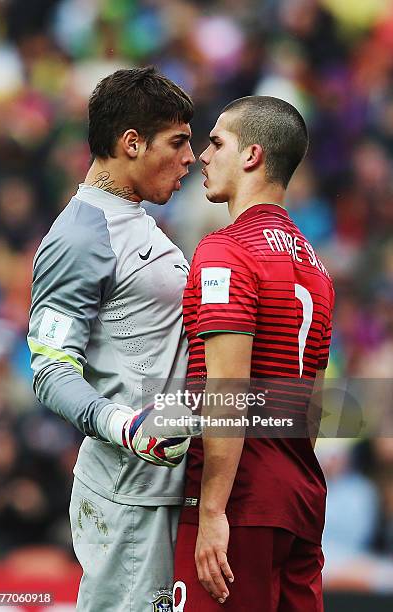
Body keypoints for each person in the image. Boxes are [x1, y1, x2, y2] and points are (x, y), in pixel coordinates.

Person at [27, 66, 197, 611]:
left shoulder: (136, 219)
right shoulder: (79, 235)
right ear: (132, 143)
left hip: (163, 486)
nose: (190, 158)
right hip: (129, 496)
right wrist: (124, 426)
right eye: (179, 142)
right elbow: (50, 371)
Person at [173, 96, 335, 611]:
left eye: (217, 142)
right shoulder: (317, 267)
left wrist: (214, 509)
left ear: (252, 155)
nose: (202, 154)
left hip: (239, 503)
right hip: (300, 500)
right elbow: (309, 406)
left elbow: (226, 393)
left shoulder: (226, 250)